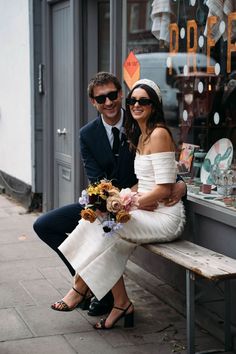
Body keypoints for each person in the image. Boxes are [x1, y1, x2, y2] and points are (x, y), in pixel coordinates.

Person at [33, 72, 186, 317]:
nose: (108, 102)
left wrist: (182, 184)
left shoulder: (138, 125)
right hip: (113, 202)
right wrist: (111, 202)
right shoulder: (87, 134)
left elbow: (162, 170)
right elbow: (97, 180)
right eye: (101, 98)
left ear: (120, 95)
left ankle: (85, 289)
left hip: (139, 205)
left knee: (103, 229)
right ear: (93, 102)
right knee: (45, 224)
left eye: (113, 96)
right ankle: (92, 286)